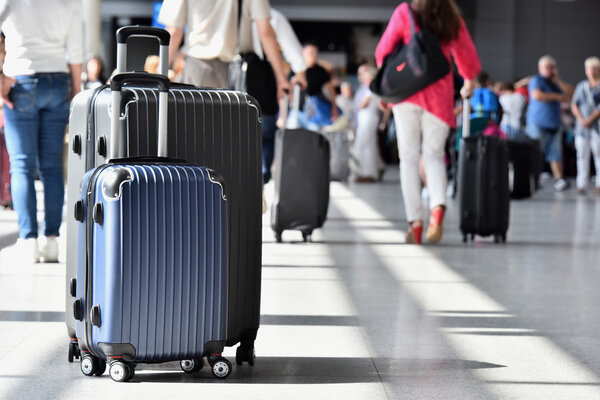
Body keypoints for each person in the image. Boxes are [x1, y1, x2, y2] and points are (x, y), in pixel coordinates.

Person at [375, 0, 480, 245]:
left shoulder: (406, 12)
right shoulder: (451, 17)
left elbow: (382, 52)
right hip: (439, 98)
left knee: (409, 159)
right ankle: (437, 210)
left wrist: (385, 90)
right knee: (433, 156)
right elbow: (470, 62)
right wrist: (467, 82)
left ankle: (416, 224)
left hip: (406, 94)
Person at [0, 0, 83, 262]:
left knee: (22, 165)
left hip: (20, 80)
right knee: (51, 167)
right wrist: (76, 90)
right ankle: (51, 241)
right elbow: (77, 51)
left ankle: (28, 241)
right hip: (58, 80)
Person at [158, 0, 290, 100]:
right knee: (231, 130)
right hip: (236, 74)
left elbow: (173, 32)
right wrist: (281, 80)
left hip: (197, 70)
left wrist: (158, 77)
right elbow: (265, 32)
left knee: (195, 128)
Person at [247, 7, 307, 184]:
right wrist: (299, 72)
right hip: (261, 82)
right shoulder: (271, 15)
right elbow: (288, 44)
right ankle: (261, 181)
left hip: (230, 78)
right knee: (264, 135)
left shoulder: (226, 10)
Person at [526, 55, 573, 191]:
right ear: (540, 68)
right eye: (548, 67)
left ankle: (559, 180)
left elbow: (570, 93)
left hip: (554, 123)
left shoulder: (555, 83)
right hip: (537, 123)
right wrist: (558, 97)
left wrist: (557, 80)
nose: (550, 70)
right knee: (536, 152)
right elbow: (538, 95)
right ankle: (531, 179)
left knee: (556, 153)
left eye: (552, 67)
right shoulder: (536, 80)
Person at [571, 56, 600, 194]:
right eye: (590, 68)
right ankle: (581, 184)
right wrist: (582, 119)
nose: (592, 71)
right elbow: (574, 104)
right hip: (582, 127)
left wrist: (590, 119)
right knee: (582, 155)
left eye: (595, 68)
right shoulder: (581, 86)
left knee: (598, 155)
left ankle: (599, 184)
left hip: (597, 127)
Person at [298, 42, 339, 129]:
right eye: (311, 52)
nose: (314, 55)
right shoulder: (297, 69)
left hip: (315, 111)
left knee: (314, 136)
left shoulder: (320, 70)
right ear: (303, 53)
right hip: (298, 111)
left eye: (315, 52)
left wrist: (334, 108)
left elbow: (331, 90)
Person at [353, 65, 383, 182]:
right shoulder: (368, 89)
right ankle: (368, 172)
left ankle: (367, 172)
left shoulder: (371, 89)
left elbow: (362, 105)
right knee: (369, 146)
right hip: (366, 119)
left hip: (368, 119)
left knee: (363, 145)